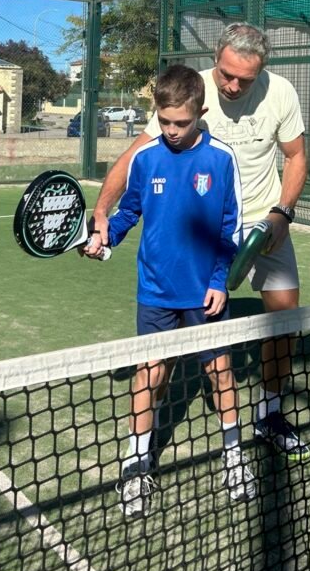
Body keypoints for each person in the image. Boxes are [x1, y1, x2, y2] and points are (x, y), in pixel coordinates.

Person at [89, 23, 310, 461]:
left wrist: (282, 213)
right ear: (216, 57)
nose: (232, 85)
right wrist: (102, 212)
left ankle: (269, 413)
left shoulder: (281, 92)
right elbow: (136, 155)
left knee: (286, 320)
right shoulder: (190, 94)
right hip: (206, 229)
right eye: (226, 74)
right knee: (168, 354)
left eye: (244, 79)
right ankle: (141, 447)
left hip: (265, 219)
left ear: (262, 69)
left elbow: (296, 156)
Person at [83, 64, 256, 517]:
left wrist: (220, 281)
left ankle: (235, 458)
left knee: (220, 373)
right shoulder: (145, 158)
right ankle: (136, 464)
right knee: (150, 375)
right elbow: (128, 212)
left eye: (181, 122)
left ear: (200, 111)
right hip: (155, 291)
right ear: (155, 113)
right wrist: (106, 238)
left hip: (205, 295)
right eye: (164, 122)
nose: (173, 131)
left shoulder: (221, 158)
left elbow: (229, 227)